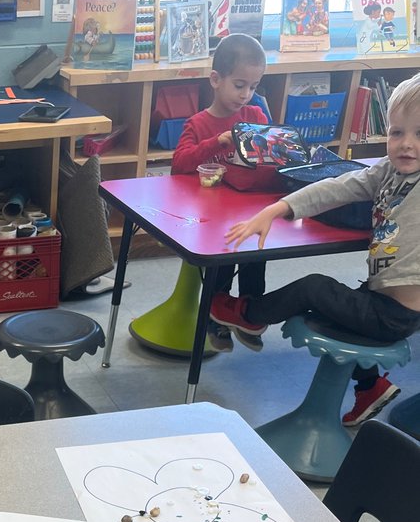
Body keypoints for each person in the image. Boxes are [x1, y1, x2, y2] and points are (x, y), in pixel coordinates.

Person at [210, 72, 420, 426]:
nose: (406, 144)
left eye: (419, 134)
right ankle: (370, 386)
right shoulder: (387, 172)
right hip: (378, 296)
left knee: (314, 288)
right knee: (328, 311)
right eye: (397, 132)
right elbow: (336, 187)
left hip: (395, 315)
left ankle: (249, 314)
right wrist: (277, 209)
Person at [172, 33, 269, 353]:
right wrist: (217, 142)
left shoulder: (255, 116)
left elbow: (269, 158)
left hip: (249, 211)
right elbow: (179, 165)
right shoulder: (198, 124)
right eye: (239, 85)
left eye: (253, 87)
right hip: (212, 217)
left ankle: (250, 315)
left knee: (256, 258)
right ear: (216, 80)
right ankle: (217, 320)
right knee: (222, 264)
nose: (246, 95)